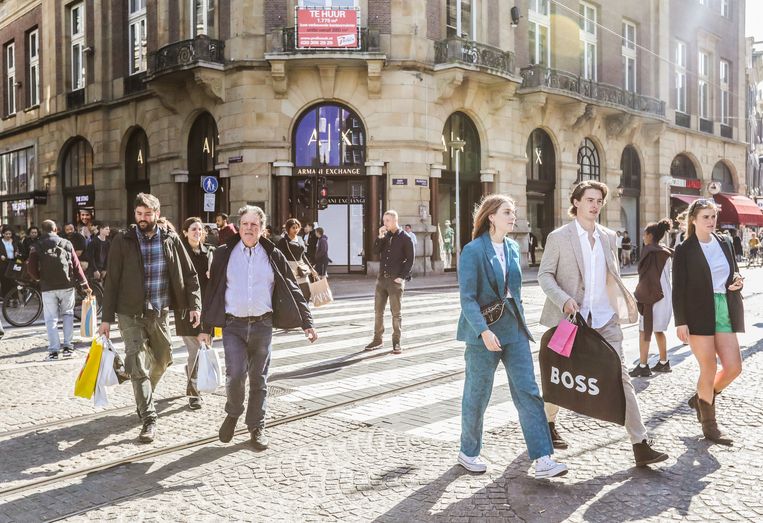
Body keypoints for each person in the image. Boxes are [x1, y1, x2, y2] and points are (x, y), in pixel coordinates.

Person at [537, 180, 668, 467]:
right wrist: (564, 299)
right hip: (569, 321)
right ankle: (548, 423)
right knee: (559, 373)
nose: (595, 206)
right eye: (590, 200)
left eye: (599, 201)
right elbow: (545, 275)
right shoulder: (559, 237)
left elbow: (612, 276)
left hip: (605, 320)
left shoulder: (609, 236)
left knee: (622, 377)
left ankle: (640, 443)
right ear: (576, 203)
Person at [456, 194, 567, 478]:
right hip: (483, 332)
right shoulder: (473, 250)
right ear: (491, 216)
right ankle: (468, 452)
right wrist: (482, 331)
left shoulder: (514, 248)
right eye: (507, 211)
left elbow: (513, 292)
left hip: (514, 329)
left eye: (513, 212)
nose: (513, 216)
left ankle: (543, 457)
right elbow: (467, 298)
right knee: (478, 394)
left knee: (528, 391)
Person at [198, 205, 317, 450]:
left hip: (263, 324)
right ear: (238, 227)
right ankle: (233, 413)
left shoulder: (273, 254)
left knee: (259, 380)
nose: (249, 229)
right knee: (235, 376)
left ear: (262, 229)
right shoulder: (223, 254)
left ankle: (256, 427)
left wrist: (307, 322)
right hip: (233, 326)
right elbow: (212, 292)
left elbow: (292, 287)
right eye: (245, 224)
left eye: (255, 225)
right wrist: (205, 327)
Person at [98, 193, 201, 443]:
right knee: (137, 365)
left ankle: (144, 395)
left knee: (164, 358)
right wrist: (106, 319)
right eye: (139, 214)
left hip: (160, 311)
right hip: (129, 313)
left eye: (147, 214)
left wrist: (194, 305)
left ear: (157, 213)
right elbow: (111, 281)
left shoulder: (170, 239)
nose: (143, 219)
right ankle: (148, 418)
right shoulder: (123, 241)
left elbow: (189, 274)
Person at [673, 199, 744, 444]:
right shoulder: (685, 249)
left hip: (724, 307)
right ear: (693, 219)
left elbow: (732, 273)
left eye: (713, 216)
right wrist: (680, 321)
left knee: (734, 367)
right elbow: (678, 288)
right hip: (697, 312)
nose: (711, 221)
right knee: (709, 367)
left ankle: (702, 398)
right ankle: (710, 425)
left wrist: (737, 282)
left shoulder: (724, 242)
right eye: (706, 217)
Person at [27, 220, 91, 360]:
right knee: (68, 315)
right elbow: (76, 266)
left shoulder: (36, 245)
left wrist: (39, 278)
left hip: (47, 287)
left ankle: (53, 351)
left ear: (42, 230)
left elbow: (31, 269)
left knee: (51, 319)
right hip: (67, 285)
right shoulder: (66, 243)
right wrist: (85, 284)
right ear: (55, 228)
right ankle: (68, 348)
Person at [177, 217, 215, 410]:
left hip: (208, 307)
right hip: (187, 309)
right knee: (195, 352)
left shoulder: (211, 252)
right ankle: (194, 393)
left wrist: (214, 272)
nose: (197, 232)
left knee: (204, 349)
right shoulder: (179, 252)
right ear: (185, 232)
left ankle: (191, 372)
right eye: (193, 229)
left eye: (200, 229)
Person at [364, 210, 414, 354]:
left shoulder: (405, 238)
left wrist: (402, 277)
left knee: (396, 313)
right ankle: (377, 339)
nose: (384, 223)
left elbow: (410, 259)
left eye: (387, 221)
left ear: (395, 221)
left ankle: (396, 341)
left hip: (395, 281)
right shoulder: (384, 236)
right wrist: (380, 237)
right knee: (378, 311)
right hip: (381, 280)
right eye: (384, 220)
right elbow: (374, 251)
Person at [630, 219, 673, 377]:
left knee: (644, 331)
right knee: (658, 330)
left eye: (644, 234)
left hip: (653, 296)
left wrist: (641, 296)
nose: (643, 237)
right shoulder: (665, 251)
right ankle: (663, 362)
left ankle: (643, 365)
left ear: (649, 235)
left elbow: (648, 277)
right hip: (664, 296)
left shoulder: (650, 251)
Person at [276, 218, 316, 299]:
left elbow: (303, 255)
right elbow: (278, 256)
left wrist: (312, 269)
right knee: (293, 294)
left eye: (297, 227)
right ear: (288, 228)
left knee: (306, 292)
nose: (296, 230)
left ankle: (304, 309)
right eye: (293, 228)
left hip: (301, 267)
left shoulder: (300, 239)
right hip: (290, 268)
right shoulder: (283, 241)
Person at [0, 227, 20, 297]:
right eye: (6, 234)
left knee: (13, 281)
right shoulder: (0, 241)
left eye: (9, 234)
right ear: (3, 234)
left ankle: (14, 298)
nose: (8, 235)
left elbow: (17, 249)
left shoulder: (14, 241)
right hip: (3, 263)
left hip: (12, 263)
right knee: (4, 281)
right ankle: (5, 298)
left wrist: (16, 252)